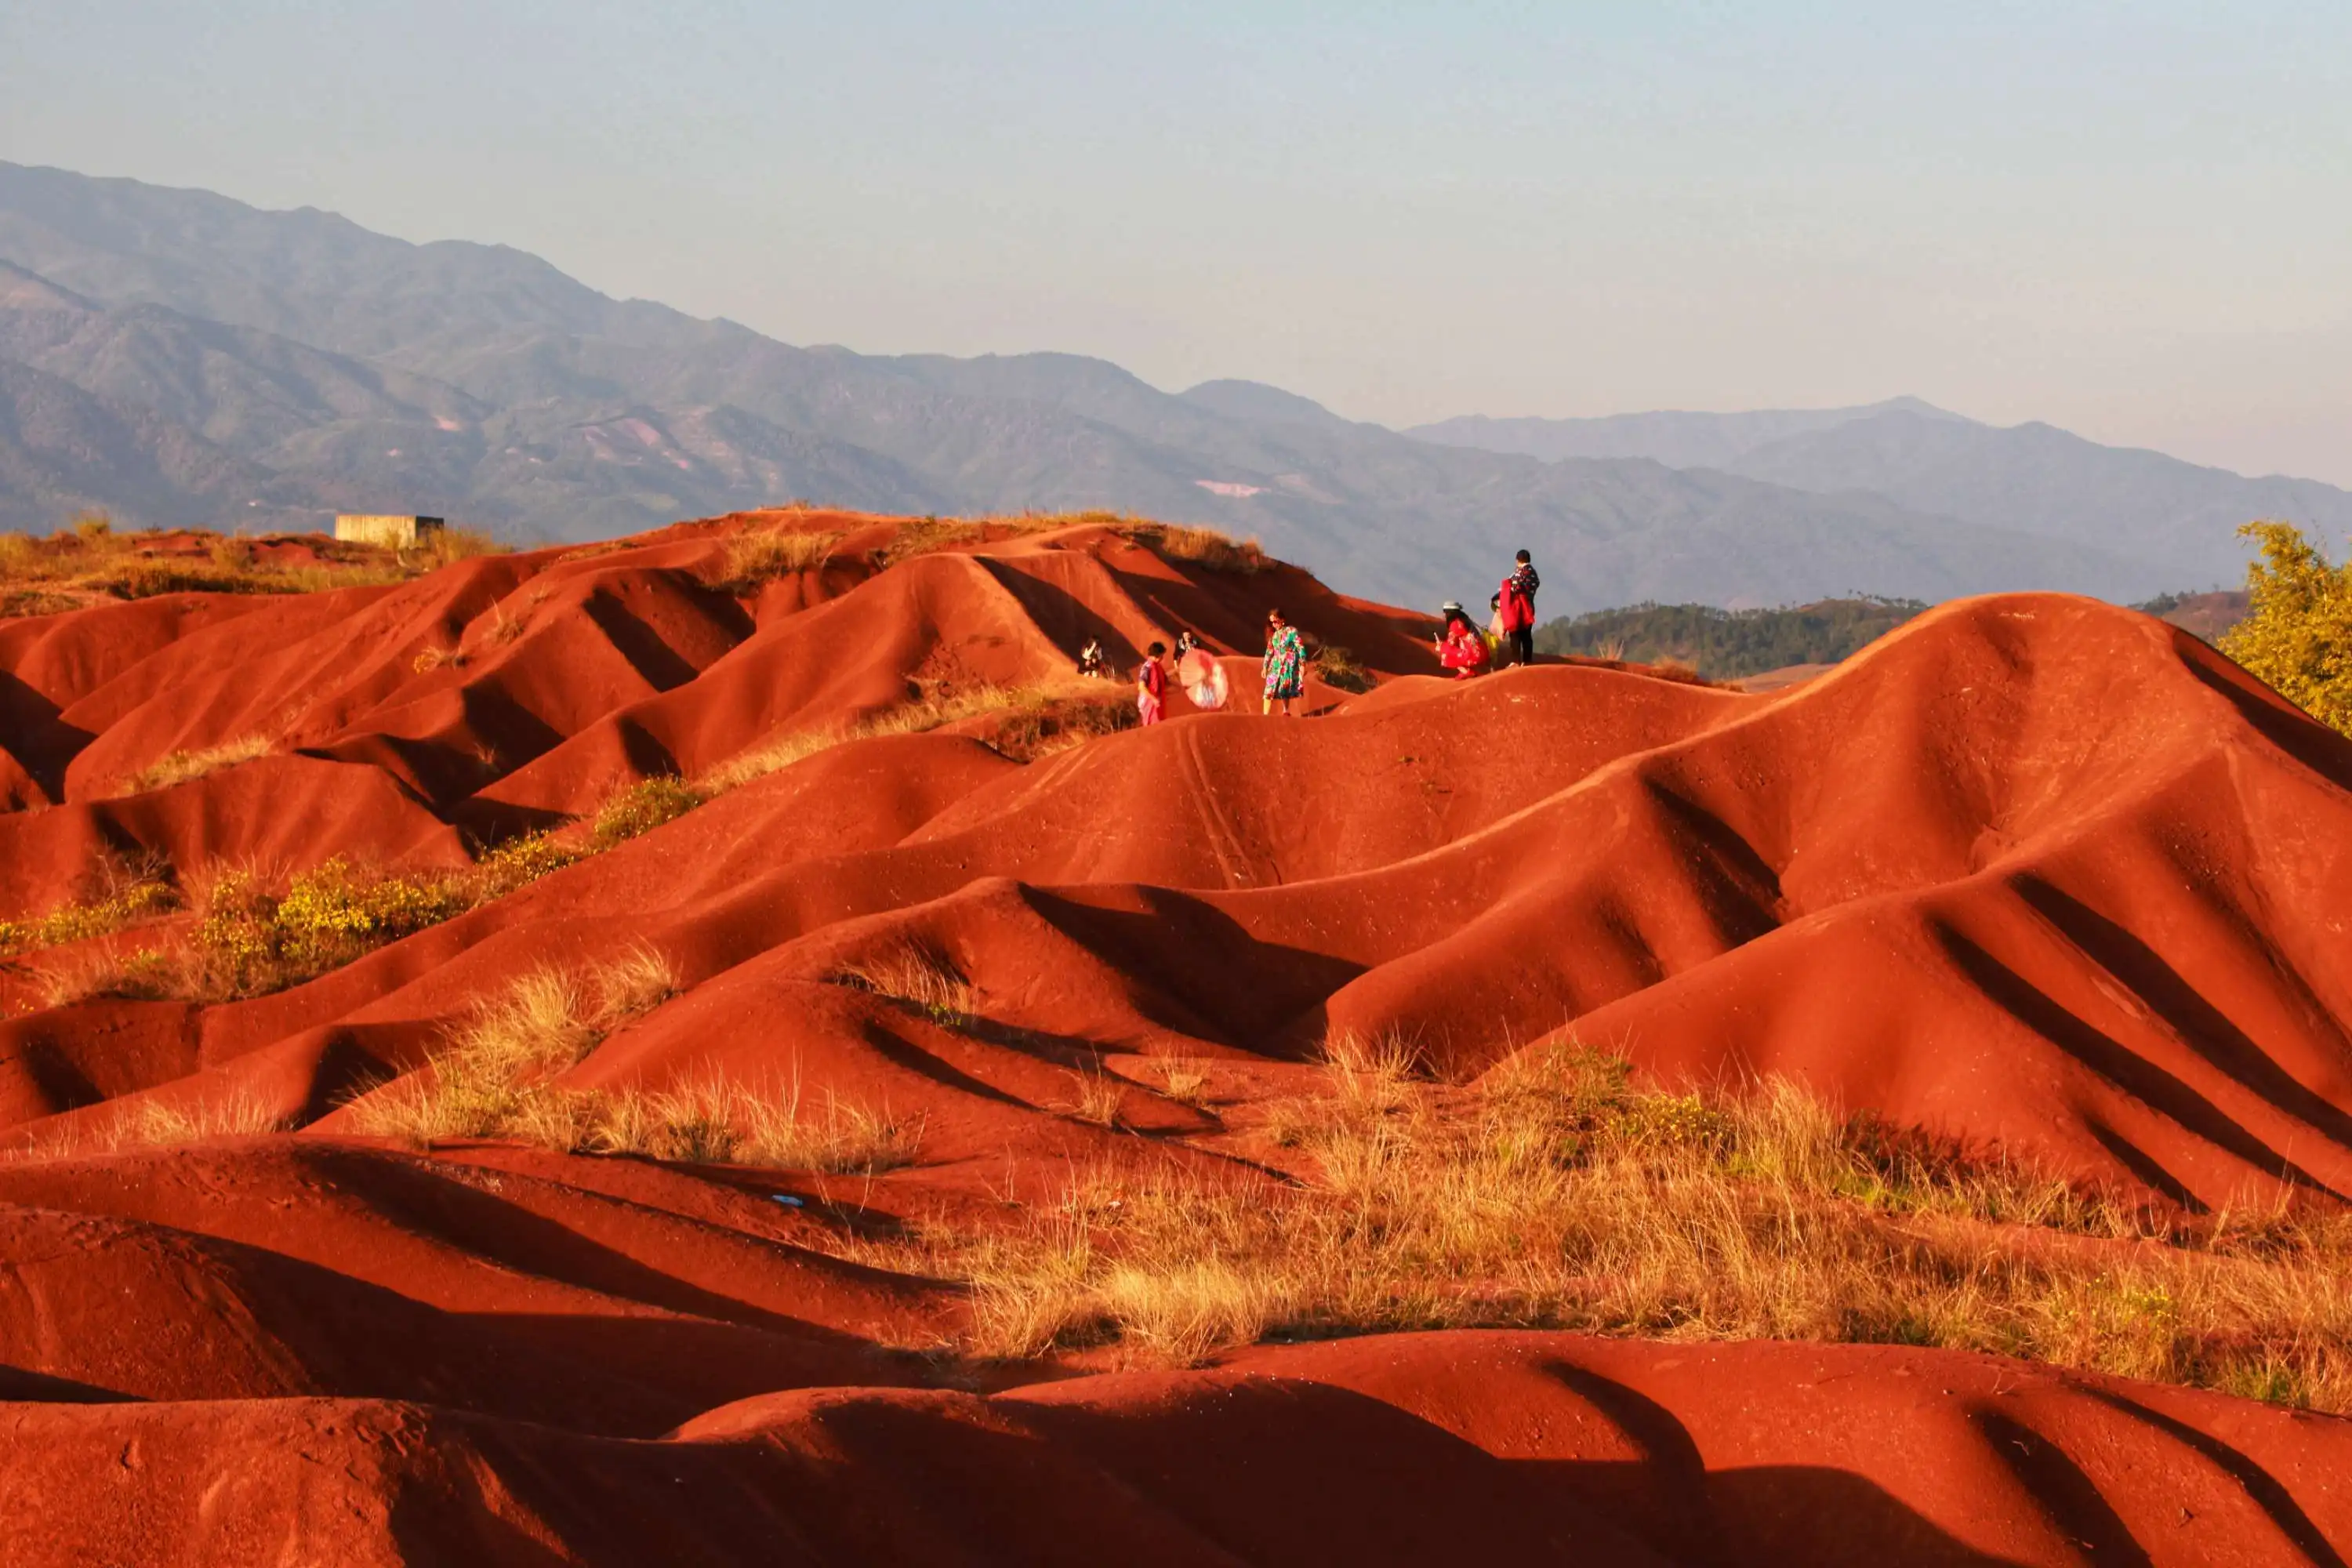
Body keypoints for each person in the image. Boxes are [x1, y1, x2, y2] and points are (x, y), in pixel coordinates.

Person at [1497, 550, 1541, 667]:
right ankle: (1527, 661)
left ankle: (1516, 661)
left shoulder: (1521, 573)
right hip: (1528, 608)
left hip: (1517, 609)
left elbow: (1514, 588)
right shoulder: (1531, 573)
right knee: (1526, 635)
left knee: (1515, 634)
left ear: (1518, 560)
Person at [1260, 608, 1305, 717]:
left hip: (1288, 665)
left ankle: (1286, 711)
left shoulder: (1291, 631)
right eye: (1272, 623)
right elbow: (1269, 652)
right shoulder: (1273, 636)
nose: (1274, 624)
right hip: (1275, 665)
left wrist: (1303, 664)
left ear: (1282, 620)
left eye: (1276, 621)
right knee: (1269, 690)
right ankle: (1265, 716)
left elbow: (1300, 647)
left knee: (1284, 689)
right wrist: (1265, 667)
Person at [1434, 601, 1488, 679]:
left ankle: (1466, 672)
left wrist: (1441, 646)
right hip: (1482, 652)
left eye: (1446, 612)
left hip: (1474, 655)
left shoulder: (1455, 624)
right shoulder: (1465, 621)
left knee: (1445, 653)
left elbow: (1450, 644)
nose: (1444, 615)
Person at [1136, 640, 1169, 726]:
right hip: (1149, 703)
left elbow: (1166, 680)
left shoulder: (1158, 667)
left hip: (1158, 702)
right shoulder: (1147, 668)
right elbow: (1141, 687)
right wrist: (1153, 699)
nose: (1162, 657)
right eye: (1162, 655)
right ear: (1157, 655)